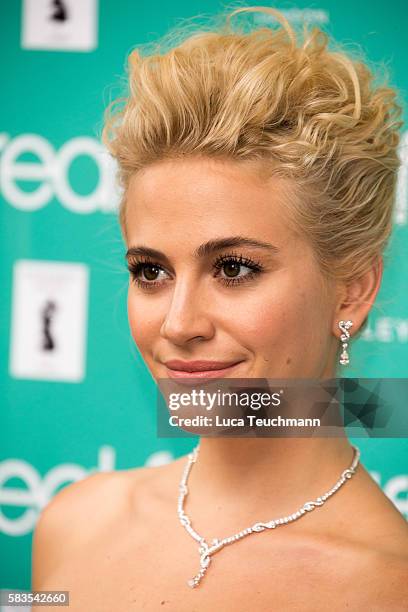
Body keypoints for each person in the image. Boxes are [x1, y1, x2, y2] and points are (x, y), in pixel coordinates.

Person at [31, 5, 408, 609]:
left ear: (353, 291)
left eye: (234, 269)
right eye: (150, 271)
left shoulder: (388, 588)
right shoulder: (69, 525)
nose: (179, 324)